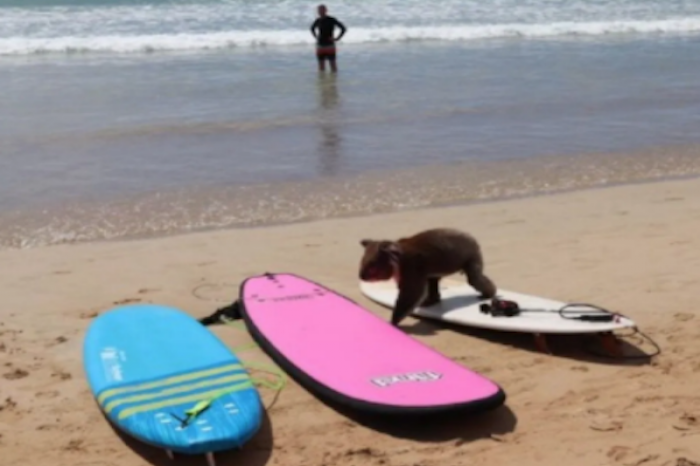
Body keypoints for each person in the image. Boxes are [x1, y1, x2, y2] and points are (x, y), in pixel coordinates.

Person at [310, 4, 346, 73]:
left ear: (326, 10)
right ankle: (323, 82)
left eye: (322, 10)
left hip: (330, 45)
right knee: (321, 67)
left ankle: (334, 81)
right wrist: (316, 37)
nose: (320, 12)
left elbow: (343, 28)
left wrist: (337, 38)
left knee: (333, 66)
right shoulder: (318, 20)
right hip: (320, 45)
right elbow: (312, 28)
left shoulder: (331, 19)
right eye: (319, 10)